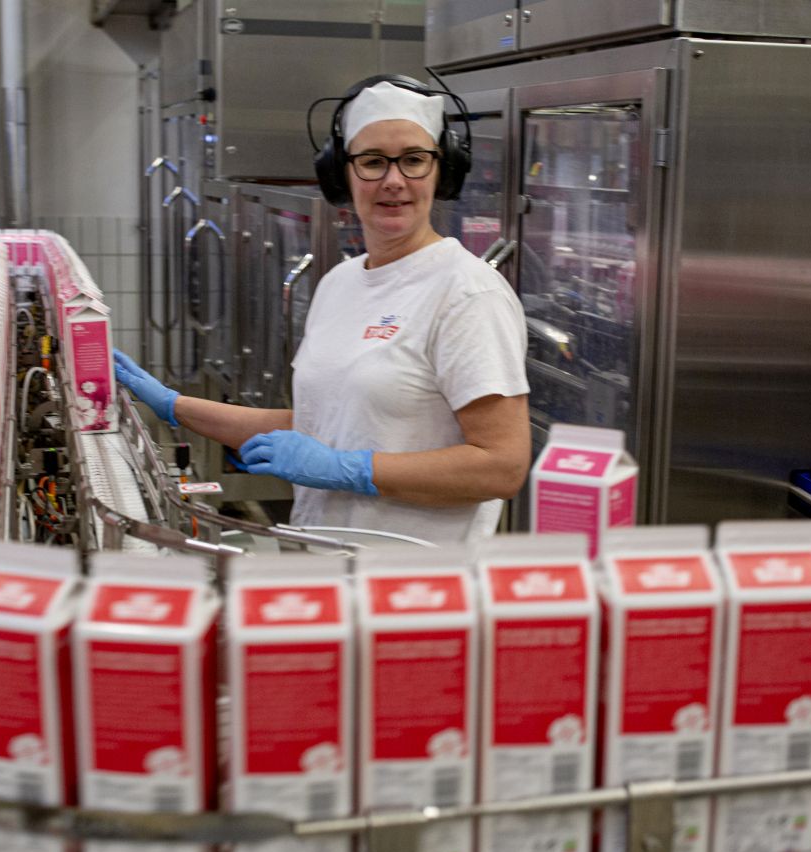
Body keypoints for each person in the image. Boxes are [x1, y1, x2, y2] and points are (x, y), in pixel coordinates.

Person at [114, 76, 530, 544]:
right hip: (325, 565)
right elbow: (325, 423)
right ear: (341, 174)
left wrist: (350, 470)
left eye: (414, 160)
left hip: (412, 589)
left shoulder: (467, 292)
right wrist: (173, 404)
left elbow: (501, 467)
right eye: (372, 162)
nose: (394, 181)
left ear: (442, 169)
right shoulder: (340, 283)